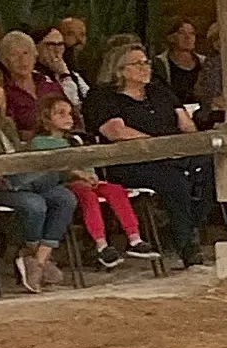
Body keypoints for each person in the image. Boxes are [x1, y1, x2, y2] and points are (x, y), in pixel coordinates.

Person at [84, 42, 210, 269]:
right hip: (132, 162)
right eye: (137, 64)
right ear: (119, 70)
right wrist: (158, 147)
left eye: (146, 62)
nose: (145, 68)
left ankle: (186, 226)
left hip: (174, 154)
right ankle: (187, 246)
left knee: (210, 168)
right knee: (174, 181)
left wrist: (185, 145)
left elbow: (186, 124)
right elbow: (117, 132)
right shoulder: (103, 96)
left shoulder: (158, 91)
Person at [28, 92, 156, 268]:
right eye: (61, 114)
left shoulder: (75, 140)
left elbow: (86, 161)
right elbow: (49, 168)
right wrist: (77, 175)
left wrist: (91, 175)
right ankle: (101, 244)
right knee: (88, 196)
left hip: (87, 180)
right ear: (46, 118)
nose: (68, 118)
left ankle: (134, 238)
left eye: (70, 113)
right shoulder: (39, 142)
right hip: (65, 184)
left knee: (115, 190)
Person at [0, 68, 79, 292]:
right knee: (35, 203)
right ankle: (34, 258)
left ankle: (38, 260)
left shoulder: (6, 123)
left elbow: (19, 158)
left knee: (65, 197)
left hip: (16, 180)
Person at [0, 30, 61, 138]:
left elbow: (73, 116)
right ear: (5, 61)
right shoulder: (4, 91)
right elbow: (8, 129)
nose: (22, 60)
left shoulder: (48, 84)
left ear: (34, 56)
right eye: (14, 55)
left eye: (26, 53)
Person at [36, 25, 90, 112]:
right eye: (51, 45)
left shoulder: (74, 75)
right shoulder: (35, 77)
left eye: (60, 45)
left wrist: (65, 74)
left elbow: (89, 99)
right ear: (36, 48)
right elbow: (69, 103)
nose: (57, 51)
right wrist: (64, 76)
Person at [152, 18, 205, 105]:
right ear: (171, 37)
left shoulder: (204, 62)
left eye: (192, 33)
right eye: (181, 33)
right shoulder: (160, 63)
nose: (188, 37)